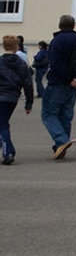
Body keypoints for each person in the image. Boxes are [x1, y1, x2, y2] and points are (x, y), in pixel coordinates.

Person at [42, 14, 76, 160]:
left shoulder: (57, 41)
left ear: (60, 25)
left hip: (59, 81)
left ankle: (61, 140)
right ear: (74, 25)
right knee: (66, 114)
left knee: (49, 113)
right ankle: (60, 146)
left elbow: (56, 63)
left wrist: (69, 78)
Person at [1, 35, 34, 165]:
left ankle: (8, 151)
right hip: (13, 96)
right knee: (3, 122)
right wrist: (29, 103)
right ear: (16, 47)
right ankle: (7, 146)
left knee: (3, 124)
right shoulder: (21, 64)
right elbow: (28, 83)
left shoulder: (1, 62)